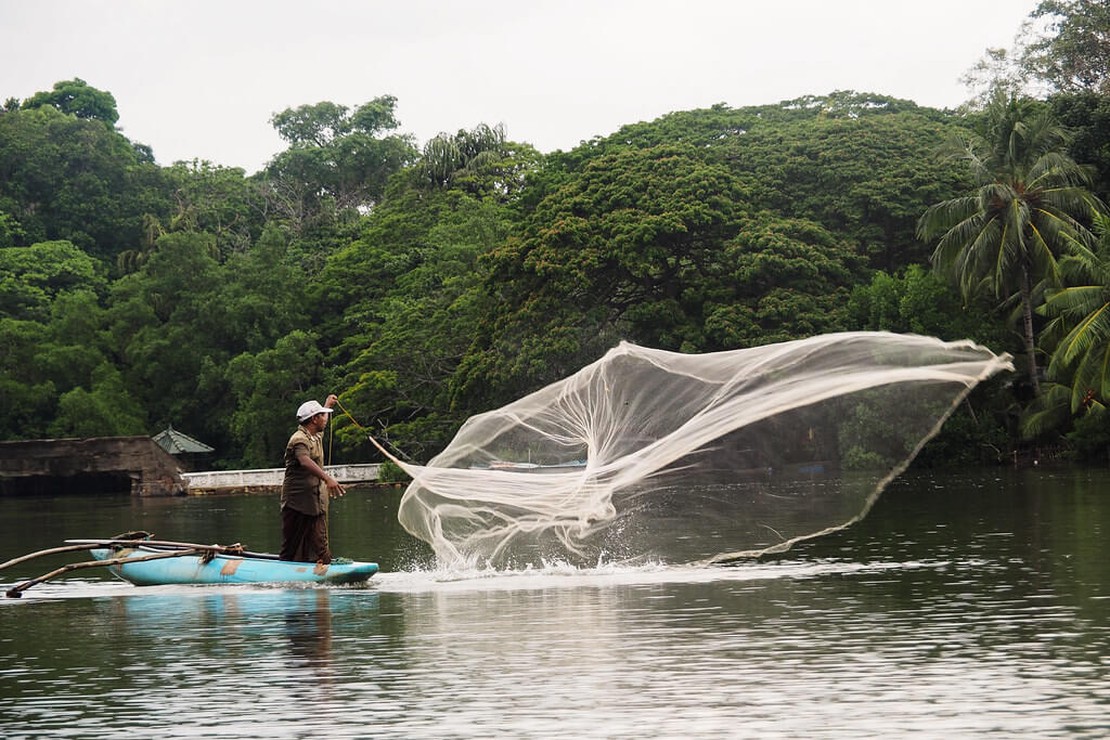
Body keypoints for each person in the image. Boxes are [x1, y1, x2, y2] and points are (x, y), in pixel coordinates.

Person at [280, 394, 345, 563]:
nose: (326, 419)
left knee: (320, 544)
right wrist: (328, 479)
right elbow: (304, 460)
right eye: (323, 415)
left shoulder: (315, 436)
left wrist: (327, 405)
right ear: (314, 419)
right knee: (291, 546)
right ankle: (285, 571)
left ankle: (325, 565)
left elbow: (321, 429)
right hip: (297, 503)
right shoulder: (298, 439)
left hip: (315, 502)